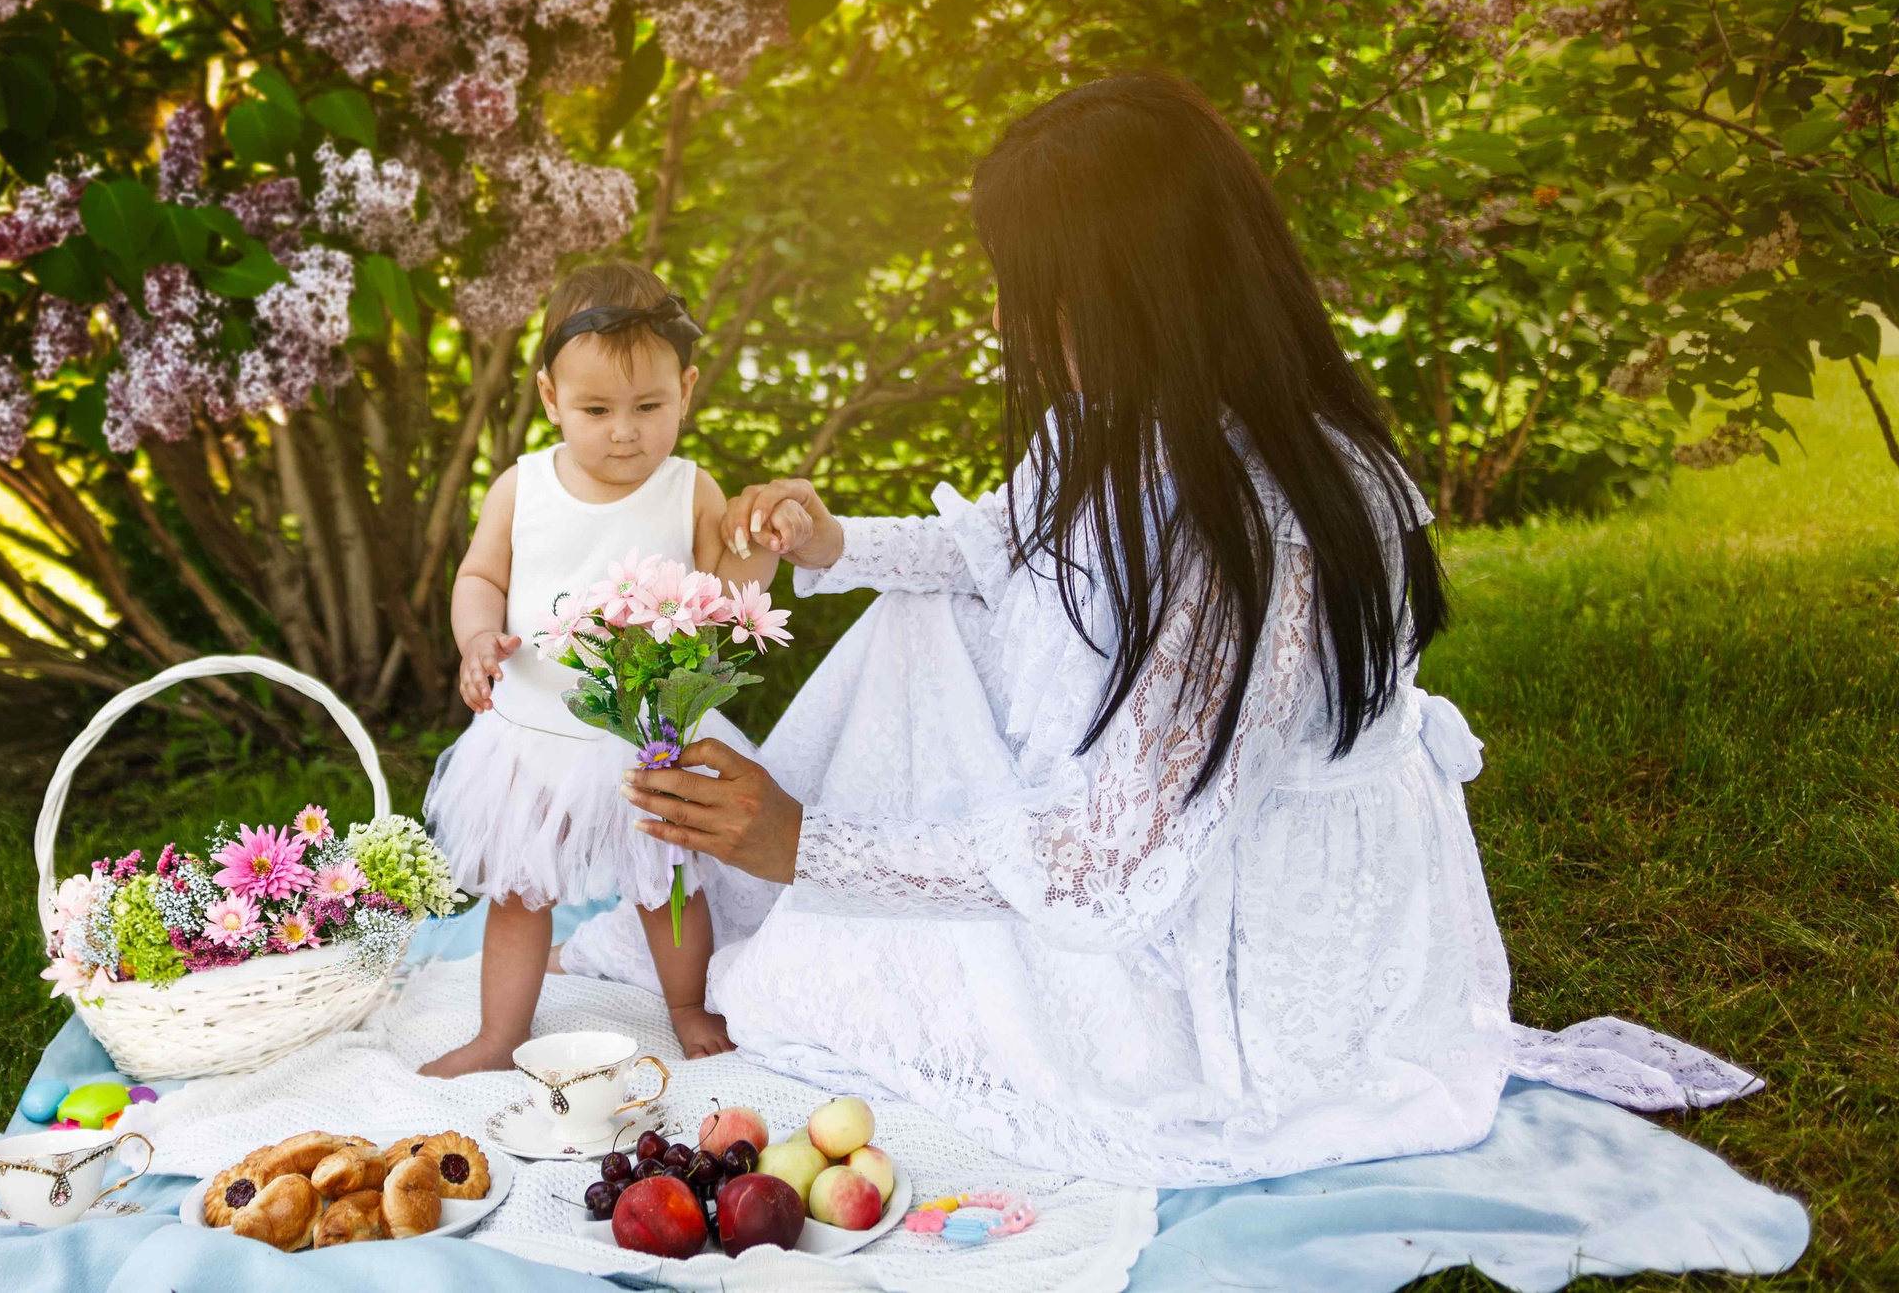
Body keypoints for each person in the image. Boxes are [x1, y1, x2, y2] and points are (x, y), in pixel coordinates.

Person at [558, 72, 1518, 1185]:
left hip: (1222, 916)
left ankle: (790, 896)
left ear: (1130, 294)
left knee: (836, 987)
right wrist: (829, 545)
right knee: (915, 626)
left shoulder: (1258, 524)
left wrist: (804, 843)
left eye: (1033, 292)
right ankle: (783, 899)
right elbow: (1006, 553)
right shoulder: (1129, 414)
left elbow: (1113, 857)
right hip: (1139, 818)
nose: (1012, 321)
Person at [418, 263, 806, 1076]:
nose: (623, 431)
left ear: (687, 390)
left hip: (644, 739)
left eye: (649, 407)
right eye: (596, 409)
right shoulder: (521, 487)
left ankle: (688, 1006)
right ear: (552, 398)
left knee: (666, 884)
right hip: (533, 731)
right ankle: (499, 1035)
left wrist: (755, 548)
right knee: (521, 893)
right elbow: (480, 575)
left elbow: (725, 589)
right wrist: (477, 636)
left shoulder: (688, 488)